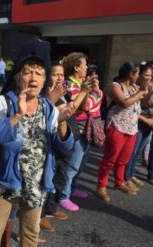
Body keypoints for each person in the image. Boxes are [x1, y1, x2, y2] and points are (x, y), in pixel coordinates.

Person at [0, 39, 75, 247]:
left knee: (31, 235)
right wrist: (17, 116)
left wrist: (62, 123)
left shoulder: (48, 107)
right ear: (18, 77)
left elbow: (66, 148)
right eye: (27, 72)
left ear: (44, 81)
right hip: (5, 180)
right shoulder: (5, 101)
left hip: (36, 182)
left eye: (39, 73)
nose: (33, 78)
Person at [97, 62, 149, 203]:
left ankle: (119, 182)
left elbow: (142, 104)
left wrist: (149, 91)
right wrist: (141, 91)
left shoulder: (135, 87)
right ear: (130, 74)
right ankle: (101, 186)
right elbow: (125, 103)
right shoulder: (115, 86)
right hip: (116, 126)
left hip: (131, 128)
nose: (138, 77)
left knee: (123, 159)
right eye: (137, 73)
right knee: (110, 159)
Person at [58, 52, 102, 211]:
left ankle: (72, 188)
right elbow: (87, 106)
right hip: (78, 129)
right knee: (72, 165)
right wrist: (95, 91)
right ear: (76, 68)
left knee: (81, 164)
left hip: (88, 128)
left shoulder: (81, 83)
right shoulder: (70, 84)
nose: (87, 68)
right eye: (84, 65)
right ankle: (63, 195)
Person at [124, 63, 153, 190]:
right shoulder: (135, 87)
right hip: (139, 122)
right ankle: (126, 177)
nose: (149, 77)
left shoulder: (149, 85)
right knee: (133, 151)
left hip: (149, 121)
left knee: (138, 151)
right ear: (138, 75)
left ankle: (131, 174)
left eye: (151, 75)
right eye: (146, 75)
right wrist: (149, 92)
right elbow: (139, 107)